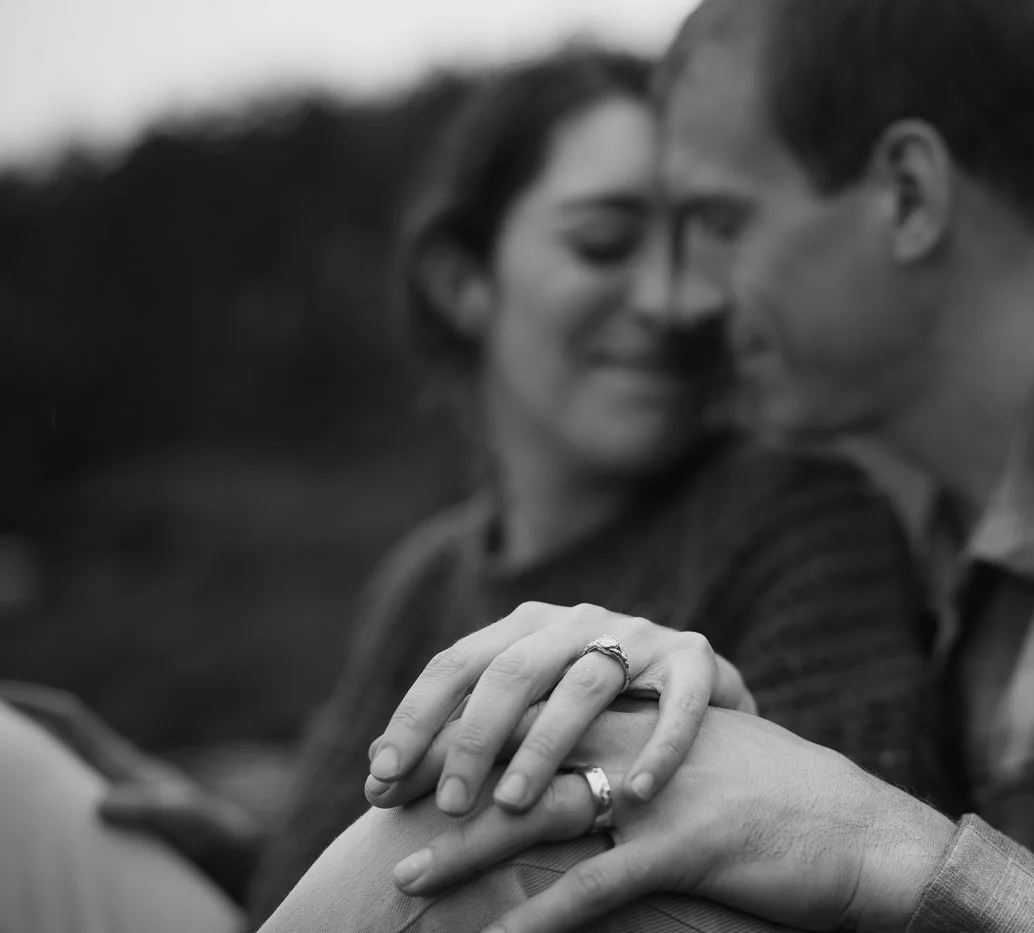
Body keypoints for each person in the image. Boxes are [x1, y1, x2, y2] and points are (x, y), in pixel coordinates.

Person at [260, 1, 1034, 932]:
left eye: (717, 222)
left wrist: (883, 845)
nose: (688, 298)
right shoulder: (973, 525)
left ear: (905, 196)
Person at [1, 46, 944, 933]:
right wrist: (239, 840)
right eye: (605, 243)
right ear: (463, 281)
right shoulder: (429, 575)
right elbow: (348, 867)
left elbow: (822, 858)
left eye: (702, 243)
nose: (673, 300)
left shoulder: (801, 520)